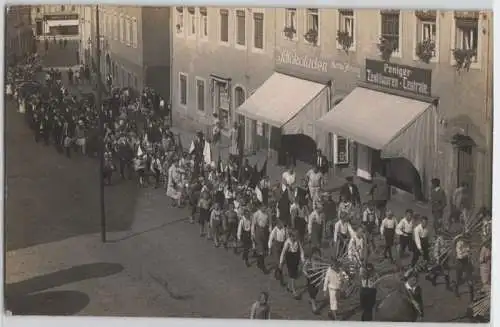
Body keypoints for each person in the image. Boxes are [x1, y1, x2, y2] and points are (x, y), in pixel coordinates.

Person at [279, 230, 305, 298]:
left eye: (296, 237)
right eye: (295, 237)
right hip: (289, 258)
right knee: (293, 275)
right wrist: (281, 262)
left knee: (293, 274)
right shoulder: (287, 243)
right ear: (291, 236)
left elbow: (301, 250)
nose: (296, 238)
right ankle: (294, 291)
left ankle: (288, 286)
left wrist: (303, 259)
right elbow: (283, 252)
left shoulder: (297, 241)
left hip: (296, 257)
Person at [454, 233, 474, 301]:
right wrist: (467, 252)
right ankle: (456, 290)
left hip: (466, 262)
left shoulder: (468, 243)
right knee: (458, 278)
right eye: (466, 239)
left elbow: (469, 253)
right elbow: (460, 256)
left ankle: (472, 297)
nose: (468, 241)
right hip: (460, 262)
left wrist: (468, 253)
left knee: (470, 278)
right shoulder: (459, 243)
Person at [252, 204, 271, 273]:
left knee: (261, 248)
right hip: (258, 231)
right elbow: (253, 224)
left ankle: (259, 262)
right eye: (263, 207)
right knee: (261, 249)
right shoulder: (256, 214)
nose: (264, 209)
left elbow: (269, 223)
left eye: (265, 208)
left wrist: (270, 230)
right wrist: (252, 234)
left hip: (264, 231)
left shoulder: (267, 214)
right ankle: (263, 266)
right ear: (260, 207)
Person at [302, 248, 322, 314]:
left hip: (317, 276)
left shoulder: (320, 261)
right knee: (312, 290)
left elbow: (322, 268)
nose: (316, 256)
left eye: (318, 254)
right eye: (315, 254)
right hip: (311, 276)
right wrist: (307, 274)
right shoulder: (309, 260)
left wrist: (322, 275)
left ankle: (311, 299)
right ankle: (314, 307)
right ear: (312, 255)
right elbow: (304, 269)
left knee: (316, 290)